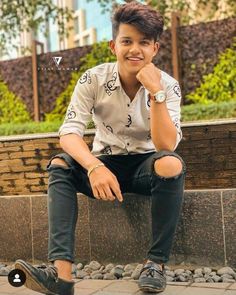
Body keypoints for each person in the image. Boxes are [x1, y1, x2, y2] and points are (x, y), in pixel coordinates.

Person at [15, 1, 186, 294]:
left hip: (148, 165)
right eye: (127, 41)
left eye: (144, 42)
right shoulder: (92, 79)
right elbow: (69, 133)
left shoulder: (168, 86)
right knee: (60, 165)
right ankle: (62, 275)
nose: (135, 49)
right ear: (113, 45)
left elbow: (165, 145)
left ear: (155, 49)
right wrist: (94, 166)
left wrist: (155, 92)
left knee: (171, 163)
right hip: (105, 164)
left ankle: (155, 264)